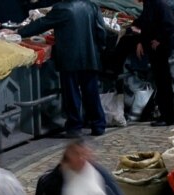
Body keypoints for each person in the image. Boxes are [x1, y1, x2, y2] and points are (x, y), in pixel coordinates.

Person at [15, 0, 108, 137]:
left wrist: (19, 32)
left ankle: (75, 127)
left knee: (72, 94)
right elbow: (101, 30)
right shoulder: (91, 5)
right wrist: (99, 48)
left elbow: (42, 24)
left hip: (70, 58)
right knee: (91, 92)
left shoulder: (62, 8)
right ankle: (98, 125)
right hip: (90, 56)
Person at [133, 0, 174, 126]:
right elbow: (146, 21)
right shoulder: (150, 4)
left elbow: (169, 23)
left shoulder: (158, 3)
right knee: (163, 79)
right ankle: (167, 114)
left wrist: (159, 39)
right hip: (169, 35)